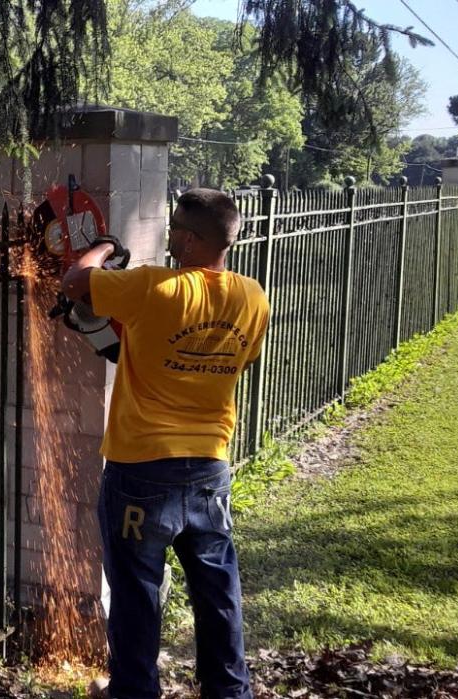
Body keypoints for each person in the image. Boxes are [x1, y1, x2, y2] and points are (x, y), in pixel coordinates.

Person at [60, 188, 270, 699]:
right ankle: (229, 690)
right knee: (217, 588)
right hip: (209, 468)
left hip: (141, 468)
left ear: (193, 239)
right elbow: (234, 363)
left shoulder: (155, 288)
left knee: (136, 594)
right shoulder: (253, 297)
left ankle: (134, 691)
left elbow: (74, 281)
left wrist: (105, 246)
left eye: (176, 228)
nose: (170, 234)